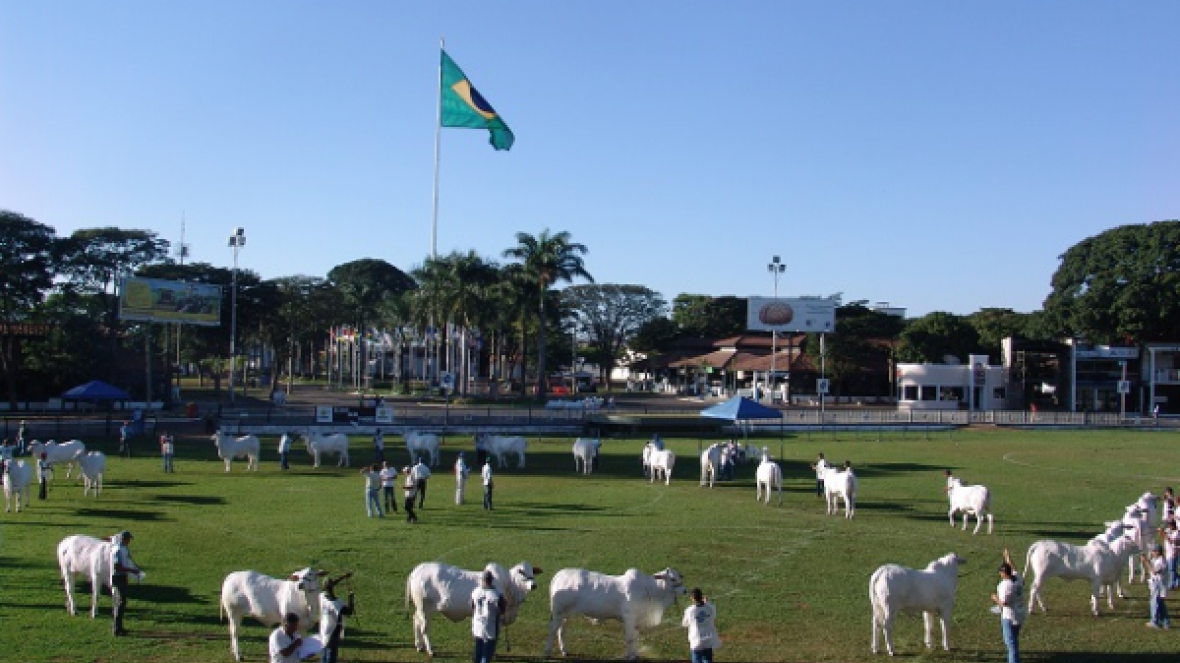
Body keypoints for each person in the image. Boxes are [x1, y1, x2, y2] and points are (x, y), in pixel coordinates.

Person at [991, 548, 1027, 663]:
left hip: (1009, 616)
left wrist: (995, 598)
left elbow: (1004, 603)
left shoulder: (1006, 586)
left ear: (1003, 573)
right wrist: (1007, 556)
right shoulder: (1018, 578)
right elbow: (1013, 567)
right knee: (1014, 639)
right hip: (1020, 613)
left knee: (1011, 644)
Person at [109, 530, 144, 636]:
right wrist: (131, 570)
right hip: (118, 577)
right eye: (128, 539)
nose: (129, 541)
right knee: (120, 602)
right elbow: (117, 566)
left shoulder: (123, 548)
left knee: (121, 602)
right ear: (124, 539)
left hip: (122, 577)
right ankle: (116, 628)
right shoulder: (118, 550)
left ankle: (118, 627)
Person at [470, 570, 506, 663]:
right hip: (490, 626)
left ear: (482, 580)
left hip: (477, 624)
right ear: (491, 580)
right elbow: (502, 609)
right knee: (487, 653)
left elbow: (472, 606)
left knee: (478, 649)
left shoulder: (475, 591)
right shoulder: (496, 595)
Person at [318, 573, 356, 663]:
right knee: (331, 655)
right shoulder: (338, 604)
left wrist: (342, 577)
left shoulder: (321, 597)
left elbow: (330, 584)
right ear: (332, 587)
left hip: (323, 630)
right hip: (334, 631)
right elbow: (349, 612)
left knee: (324, 652)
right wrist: (351, 597)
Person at [681, 587, 720, 663]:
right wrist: (707, 603)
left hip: (696, 639)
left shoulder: (689, 610)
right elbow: (713, 616)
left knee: (697, 659)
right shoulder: (710, 607)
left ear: (692, 598)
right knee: (708, 659)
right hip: (708, 638)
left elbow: (684, 624)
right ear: (702, 596)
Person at [1143, 544, 1171, 628]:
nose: (1152, 553)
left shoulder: (1161, 561)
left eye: (1153, 551)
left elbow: (1154, 571)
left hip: (1159, 584)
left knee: (1154, 603)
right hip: (1156, 583)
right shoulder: (1156, 559)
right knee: (1161, 604)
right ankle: (1166, 622)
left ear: (1158, 552)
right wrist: (1146, 560)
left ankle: (1154, 622)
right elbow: (1151, 568)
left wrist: (1146, 561)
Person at [1163, 518, 1180, 591]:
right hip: (1168, 553)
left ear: (1173, 525)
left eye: (1170, 525)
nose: (1169, 526)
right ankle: (1178, 582)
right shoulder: (1168, 530)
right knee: (1171, 570)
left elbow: (1172, 541)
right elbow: (1163, 535)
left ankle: (1171, 585)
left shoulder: (1177, 533)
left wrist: (1164, 533)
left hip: (1173, 553)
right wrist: (1162, 531)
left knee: (1172, 570)